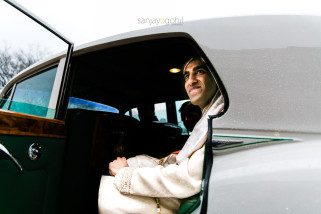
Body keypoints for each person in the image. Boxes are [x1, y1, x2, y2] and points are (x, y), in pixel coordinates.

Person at [98, 57, 224, 214]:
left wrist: (124, 174)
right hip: (180, 189)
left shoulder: (218, 119)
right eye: (186, 75)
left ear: (216, 77)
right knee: (136, 161)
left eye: (200, 71)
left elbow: (186, 178)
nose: (191, 81)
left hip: (182, 197)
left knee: (102, 189)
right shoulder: (209, 117)